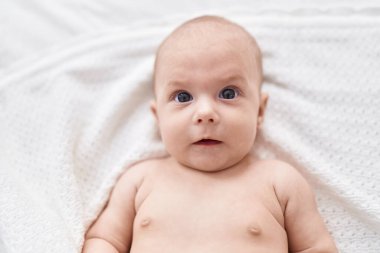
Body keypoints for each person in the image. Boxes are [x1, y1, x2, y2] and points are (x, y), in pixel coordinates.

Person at [82, 15, 338, 253]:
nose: (205, 113)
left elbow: (316, 248)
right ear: (158, 117)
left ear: (259, 111)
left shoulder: (280, 182)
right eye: (183, 97)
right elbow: (105, 240)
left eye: (228, 93)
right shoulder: (139, 180)